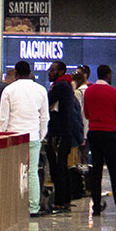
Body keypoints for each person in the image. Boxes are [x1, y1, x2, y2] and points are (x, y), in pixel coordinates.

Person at [83, 64, 116, 217]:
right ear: (108, 75)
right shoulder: (113, 93)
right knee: (114, 171)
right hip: (108, 134)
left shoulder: (89, 92)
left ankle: (96, 207)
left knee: (96, 171)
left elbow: (86, 114)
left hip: (94, 132)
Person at [0, 61, 49, 217]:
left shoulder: (8, 90)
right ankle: (34, 207)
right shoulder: (41, 90)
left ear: (15, 73)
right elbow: (44, 117)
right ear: (30, 72)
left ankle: (14, 205)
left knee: (15, 171)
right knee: (32, 171)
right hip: (33, 136)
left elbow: (3, 117)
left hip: (13, 136)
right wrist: (41, 135)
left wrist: (2, 135)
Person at [45, 62, 85, 214]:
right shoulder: (65, 85)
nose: (49, 72)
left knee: (58, 168)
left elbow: (46, 102)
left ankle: (60, 202)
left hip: (58, 133)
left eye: (52, 70)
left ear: (61, 71)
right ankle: (65, 200)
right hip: (64, 133)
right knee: (62, 167)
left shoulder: (60, 86)